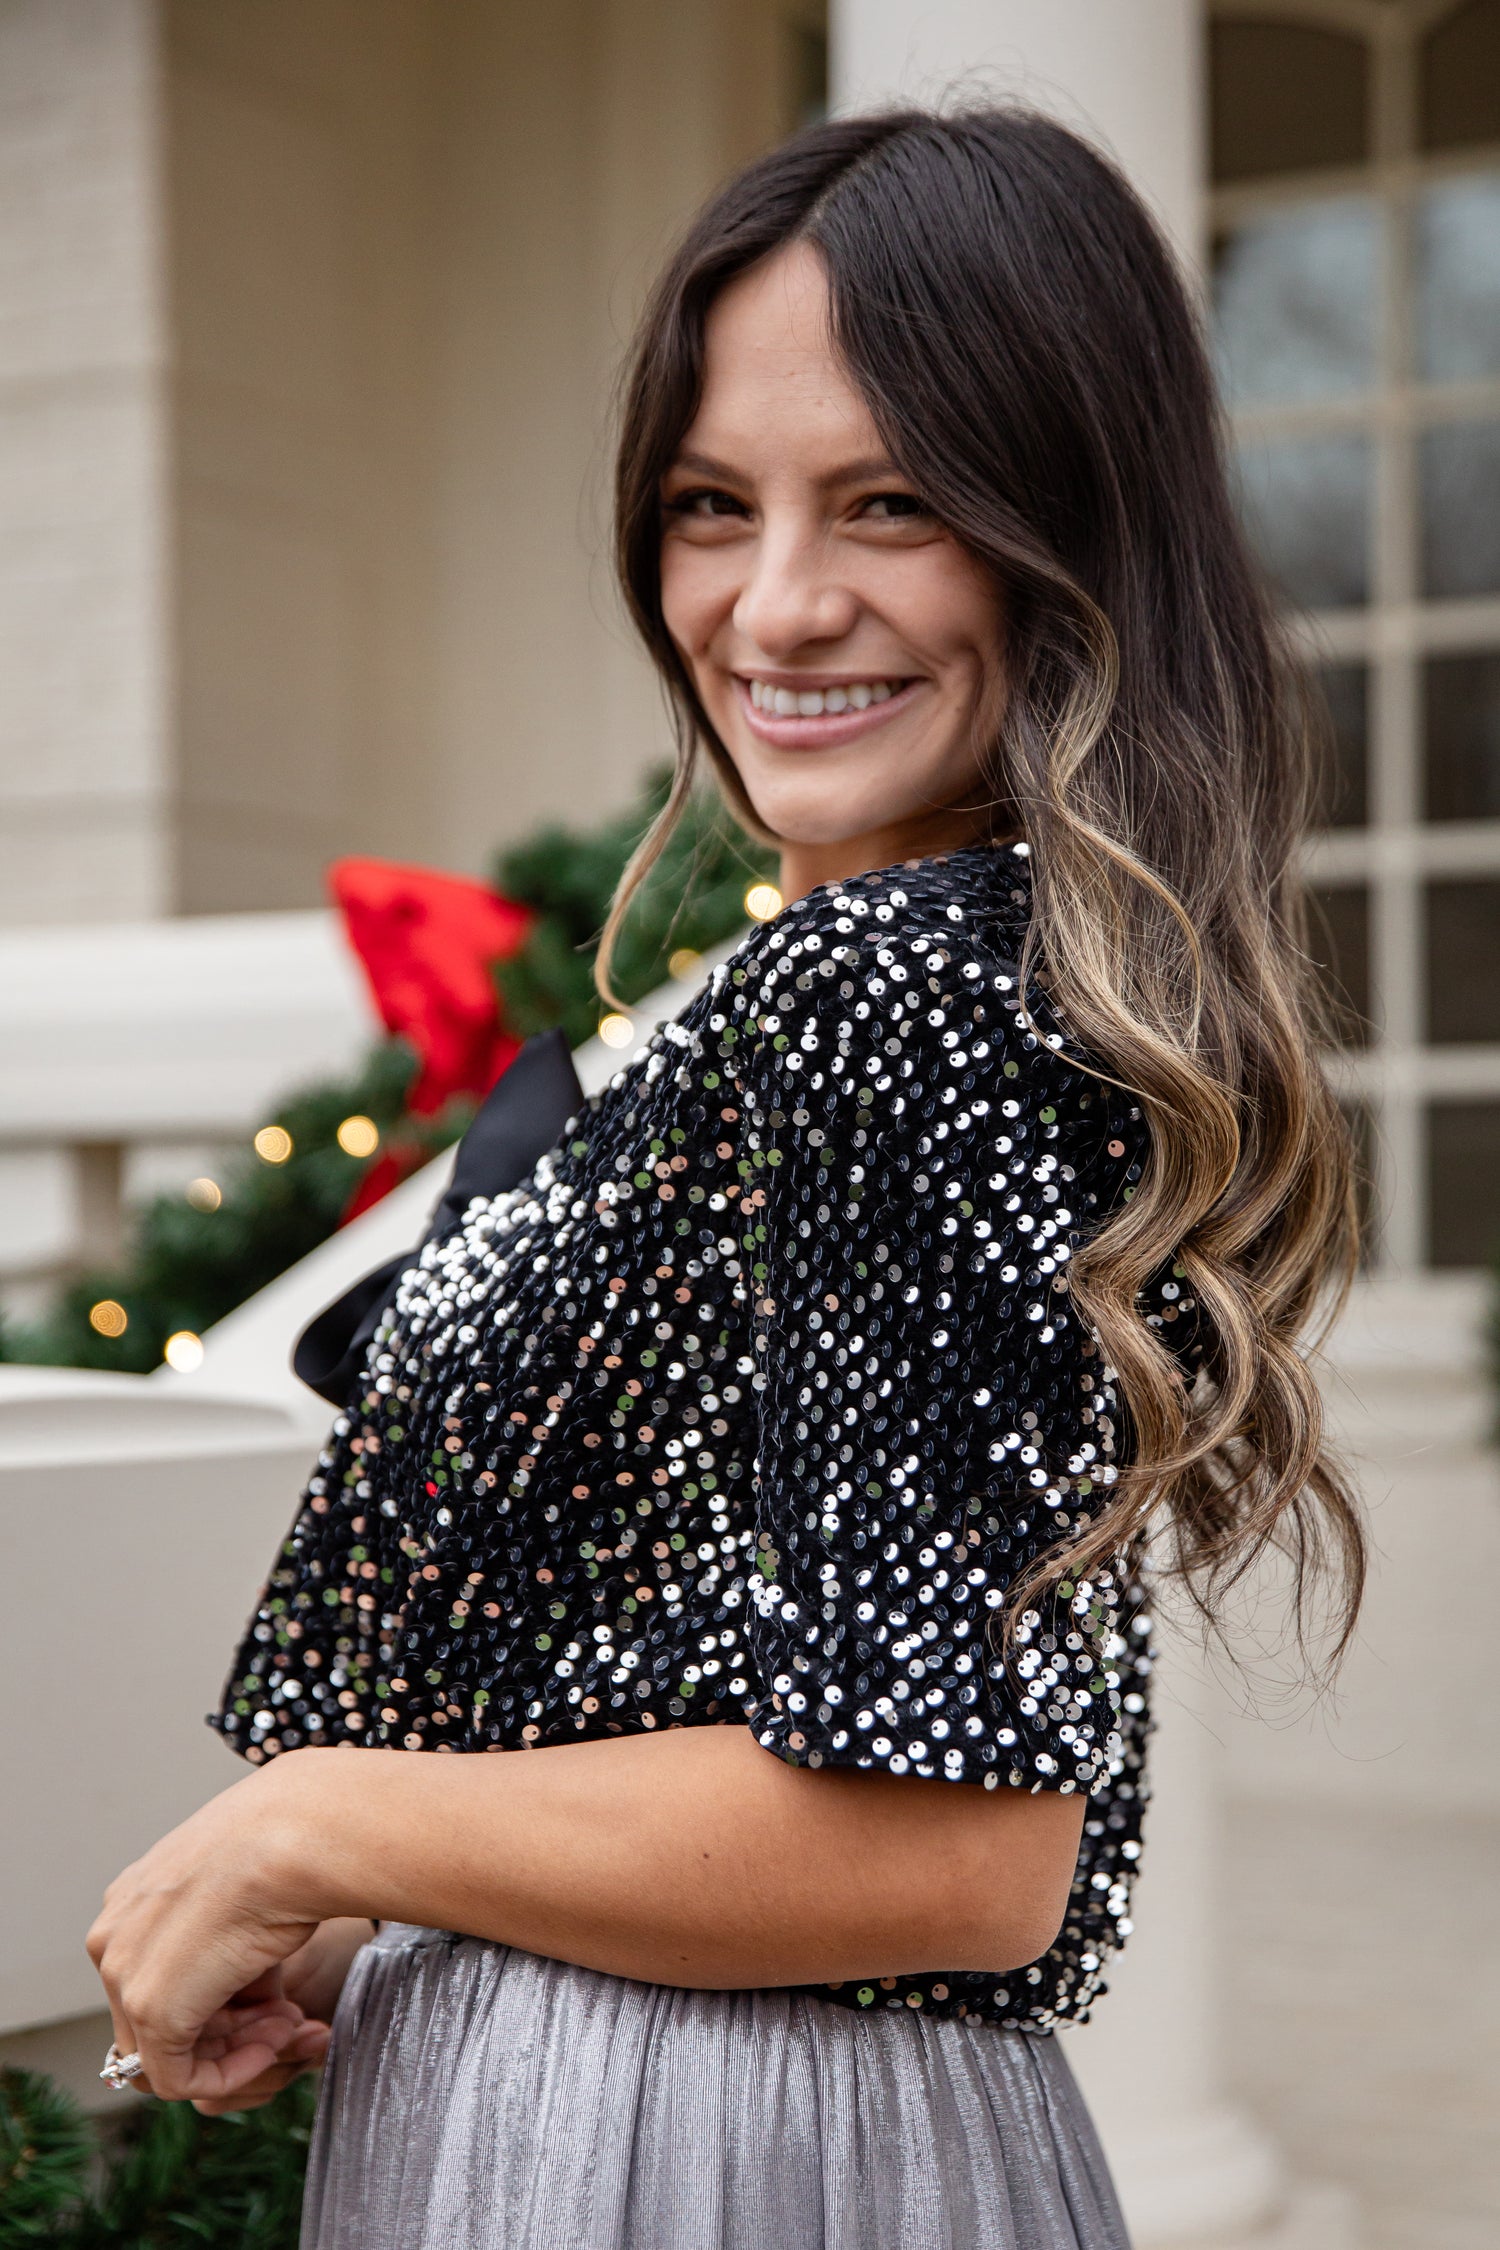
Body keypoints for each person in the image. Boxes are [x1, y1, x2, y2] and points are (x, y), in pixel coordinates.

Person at [86, 106, 1365, 2249]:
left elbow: (953, 1849)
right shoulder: (889, 978)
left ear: (1068, 534)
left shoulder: (902, 999)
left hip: (702, 2147)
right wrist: (358, 1903)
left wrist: (317, 1827)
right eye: (709, 506)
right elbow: (675, 1684)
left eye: (892, 504)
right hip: (645, 2096)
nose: (775, 605)